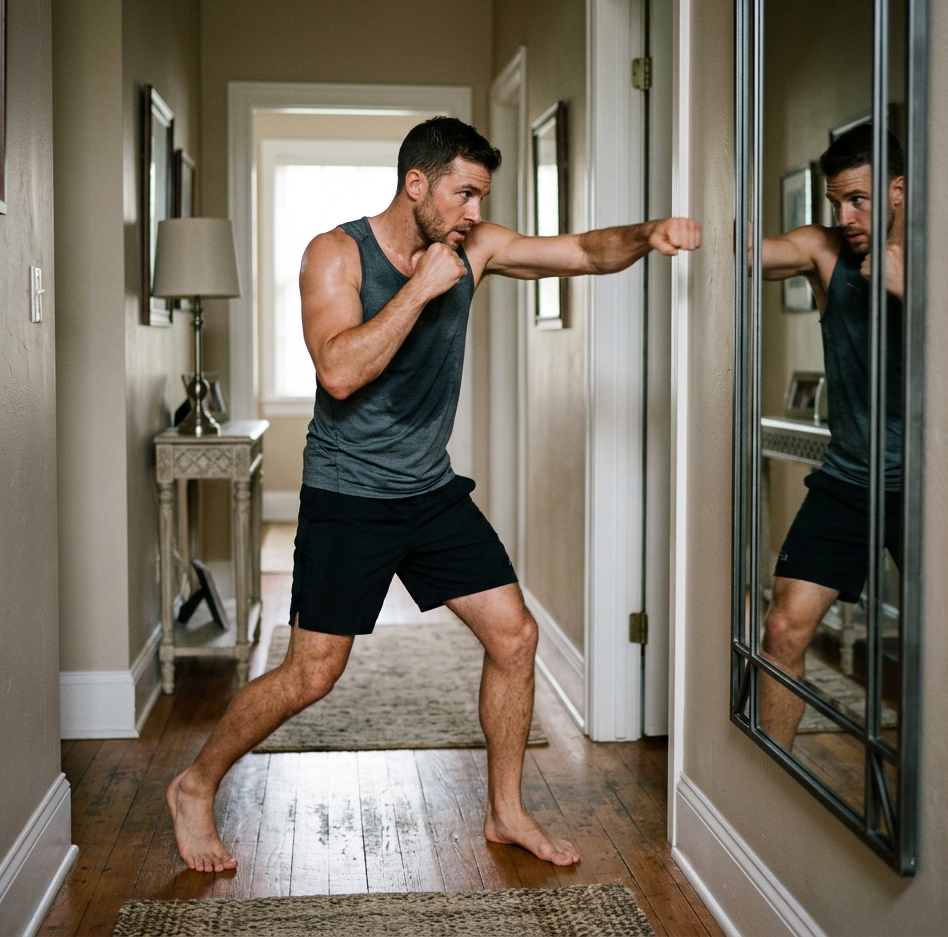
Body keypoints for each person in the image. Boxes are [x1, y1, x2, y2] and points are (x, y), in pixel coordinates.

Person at [167, 116, 702, 872]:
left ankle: (505, 811)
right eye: (464, 194)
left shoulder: (473, 247)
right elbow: (341, 372)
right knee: (312, 674)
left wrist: (650, 235)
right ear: (416, 183)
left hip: (430, 490)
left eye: (482, 196)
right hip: (348, 491)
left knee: (514, 637)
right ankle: (195, 784)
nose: (476, 214)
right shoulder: (336, 252)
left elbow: (581, 252)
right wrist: (420, 287)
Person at [758, 124, 905, 749]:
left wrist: (911, 292)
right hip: (848, 479)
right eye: (834, 202)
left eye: (858, 200)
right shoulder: (825, 253)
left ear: (899, 190)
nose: (843, 216)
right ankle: (767, 791)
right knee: (783, 631)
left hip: (936, 491)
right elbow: (751, 256)